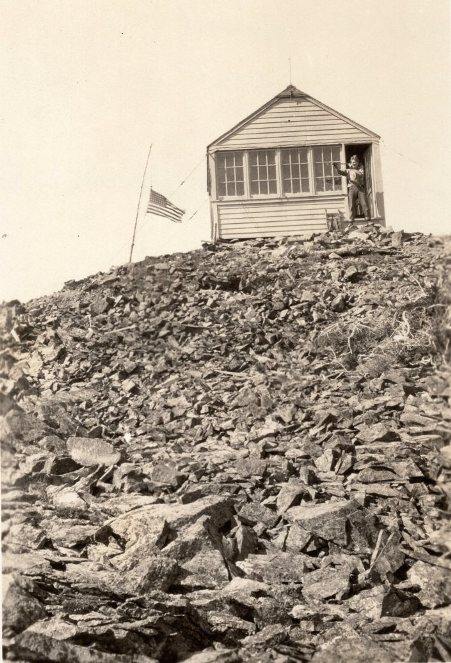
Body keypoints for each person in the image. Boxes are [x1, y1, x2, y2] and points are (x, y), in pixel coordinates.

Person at [333, 155, 370, 222]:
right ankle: (351, 219)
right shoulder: (348, 170)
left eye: (355, 162)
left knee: (364, 203)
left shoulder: (361, 169)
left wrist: (351, 168)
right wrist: (336, 167)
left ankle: (367, 217)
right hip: (352, 188)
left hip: (360, 188)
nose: (354, 163)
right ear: (351, 162)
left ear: (358, 163)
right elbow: (340, 172)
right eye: (353, 162)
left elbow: (360, 174)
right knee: (351, 204)